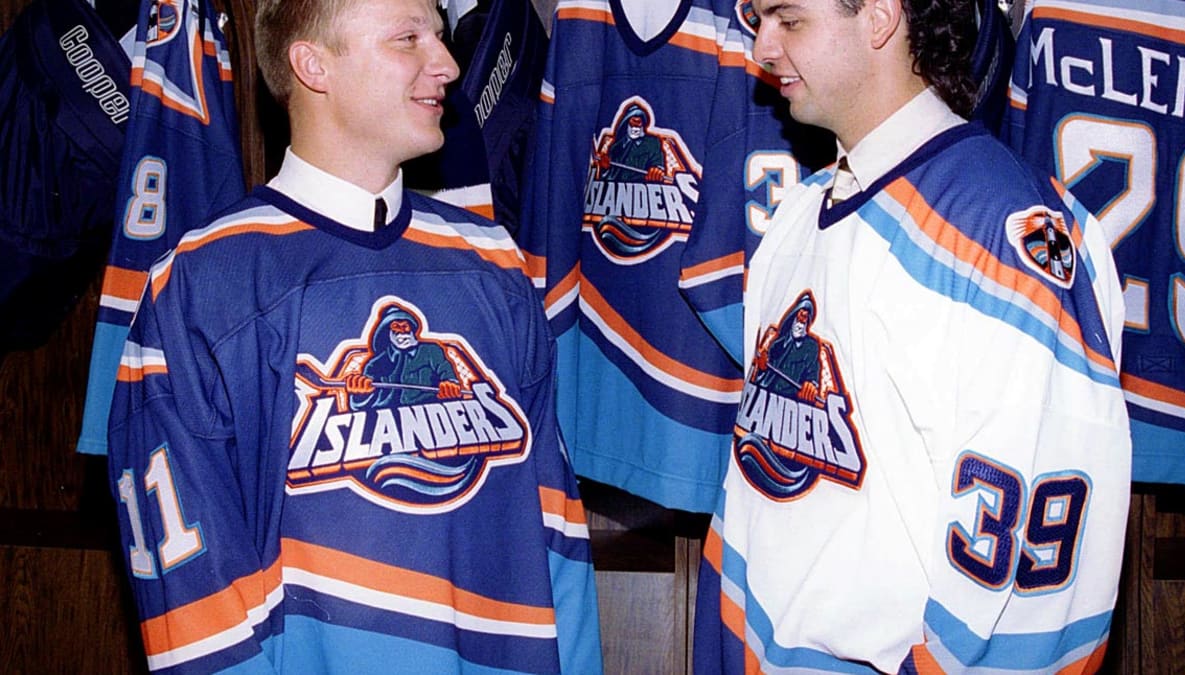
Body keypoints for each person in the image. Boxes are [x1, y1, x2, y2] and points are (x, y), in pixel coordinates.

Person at [106, 0, 602, 672]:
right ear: (313, 66)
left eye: (439, 34)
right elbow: (193, 595)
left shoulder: (494, 259)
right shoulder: (199, 283)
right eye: (408, 38)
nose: (448, 63)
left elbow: (556, 525)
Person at [693, 0, 1132, 672]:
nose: (762, 50)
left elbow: (1039, 592)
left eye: (789, 19)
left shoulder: (1006, 230)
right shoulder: (800, 212)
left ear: (878, 17)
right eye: (758, 20)